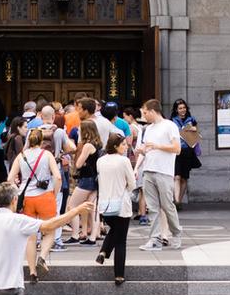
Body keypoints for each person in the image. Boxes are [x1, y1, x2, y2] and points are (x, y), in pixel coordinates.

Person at [9, 129, 63, 277]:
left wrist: (18, 190)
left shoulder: (21, 156)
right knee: (50, 230)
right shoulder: (47, 155)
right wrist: (54, 193)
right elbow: (58, 177)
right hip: (45, 195)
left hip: (27, 198)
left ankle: (32, 271)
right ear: (41, 141)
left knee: (30, 236)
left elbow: (10, 179)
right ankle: (43, 257)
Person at [137, 98, 183, 251]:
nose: (144, 116)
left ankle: (176, 233)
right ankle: (155, 238)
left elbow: (177, 149)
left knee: (167, 205)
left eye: (145, 113)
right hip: (149, 169)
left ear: (152, 111)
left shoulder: (170, 126)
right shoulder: (148, 129)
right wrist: (141, 152)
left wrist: (157, 146)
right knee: (153, 207)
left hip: (164, 171)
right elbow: (147, 148)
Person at [93, 133, 137, 284]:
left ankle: (104, 251)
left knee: (114, 231)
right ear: (115, 146)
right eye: (123, 144)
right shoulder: (124, 161)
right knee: (121, 240)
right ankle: (119, 275)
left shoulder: (100, 161)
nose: (126, 147)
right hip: (121, 205)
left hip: (105, 204)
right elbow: (132, 184)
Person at [62, 120, 100, 246]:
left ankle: (75, 235)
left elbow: (78, 164)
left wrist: (80, 161)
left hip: (86, 180)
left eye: (79, 129)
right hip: (94, 179)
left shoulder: (87, 146)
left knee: (72, 206)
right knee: (92, 208)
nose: (78, 131)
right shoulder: (98, 143)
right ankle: (92, 237)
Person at [169, 98, 202, 205]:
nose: (182, 110)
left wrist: (194, 129)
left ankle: (179, 200)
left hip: (188, 151)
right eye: (180, 108)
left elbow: (197, 133)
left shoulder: (191, 119)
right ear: (176, 110)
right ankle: (176, 201)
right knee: (176, 176)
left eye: (184, 108)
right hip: (177, 151)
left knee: (184, 178)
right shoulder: (172, 121)